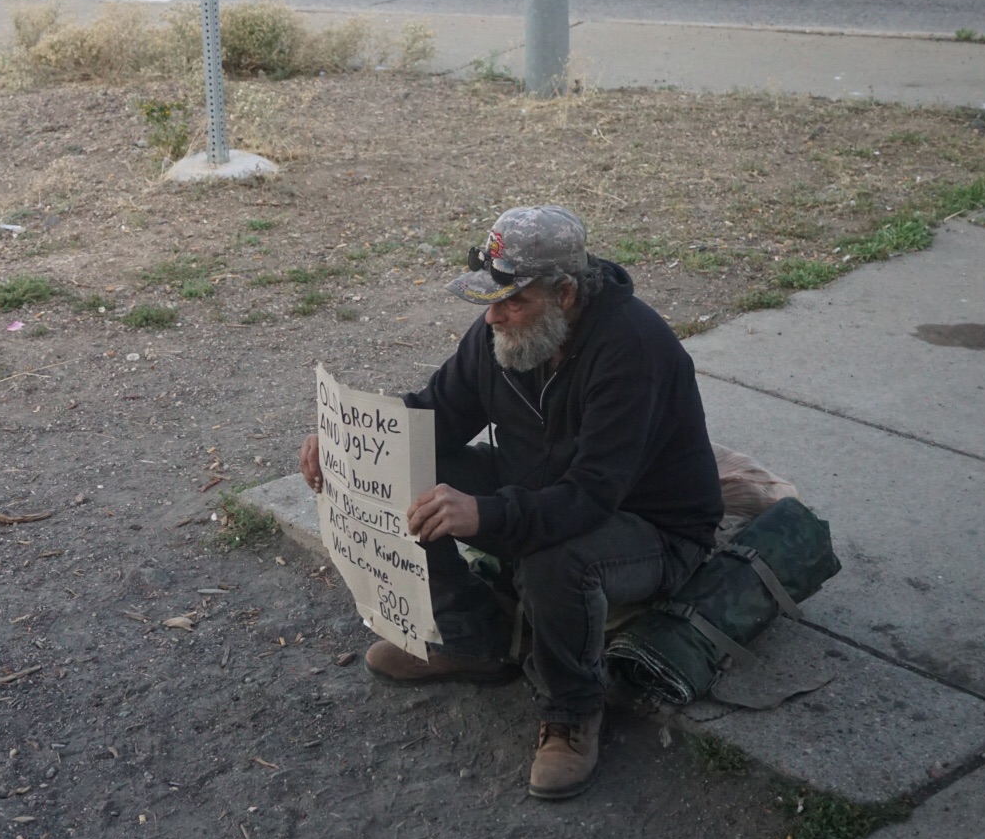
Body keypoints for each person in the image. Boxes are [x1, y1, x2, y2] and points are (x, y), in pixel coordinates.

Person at [298, 206, 723, 800]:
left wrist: (486, 514)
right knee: (409, 467)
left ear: (565, 293)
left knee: (556, 558)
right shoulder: (502, 332)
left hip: (650, 526)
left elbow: (591, 497)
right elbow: (433, 416)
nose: (493, 315)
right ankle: (471, 641)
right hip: (543, 486)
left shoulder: (634, 350)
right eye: (489, 299)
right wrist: (347, 441)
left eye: (511, 301)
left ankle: (573, 710)